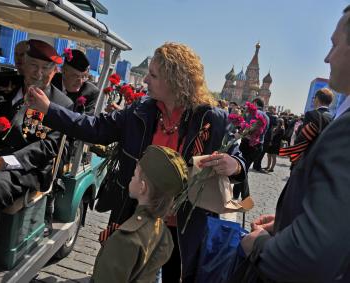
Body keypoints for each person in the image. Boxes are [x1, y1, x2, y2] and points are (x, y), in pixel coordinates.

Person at [26, 42, 246, 282]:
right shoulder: (140, 111)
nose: (145, 81)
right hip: (136, 217)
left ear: (175, 80)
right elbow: (96, 128)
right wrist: (49, 110)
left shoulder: (210, 119)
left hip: (183, 227)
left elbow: (236, 156)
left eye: (153, 75)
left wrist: (234, 164)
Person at [239, 6, 350, 282]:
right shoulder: (337, 116)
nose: (327, 56)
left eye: (334, 45)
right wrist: (289, 221)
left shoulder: (336, 125)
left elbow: (313, 254)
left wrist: (259, 247)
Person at [0, 39, 74, 273]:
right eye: (34, 65)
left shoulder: (61, 104)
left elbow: (48, 148)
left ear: (55, 71)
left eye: (46, 68)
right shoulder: (2, 84)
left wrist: (1, 163)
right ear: (22, 64)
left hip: (26, 169)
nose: (39, 73)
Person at [91, 145, 187, 282]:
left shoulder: (125, 239)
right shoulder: (163, 232)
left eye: (134, 175)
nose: (131, 178)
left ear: (142, 187)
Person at [233, 97, 269, 199]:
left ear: (254, 103)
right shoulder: (267, 116)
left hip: (249, 145)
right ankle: (236, 194)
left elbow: (247, 129)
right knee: (243, 169)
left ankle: (245, 197)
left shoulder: (254, 113)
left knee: (242, 169)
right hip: (258, 146)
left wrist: (239, 134)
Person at [51, 49, 99, 114]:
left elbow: (85, 121)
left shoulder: (90, 92)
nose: (80, 82)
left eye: (84, 76)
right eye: (75, 76)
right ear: (63, 71)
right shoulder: (50, 80)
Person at [253, 105, 277, 171]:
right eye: (274, 109)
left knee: (259, 151)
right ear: (272, 110)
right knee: (262, 152)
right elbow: (273, 129)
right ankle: (258, 166)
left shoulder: (264, 115)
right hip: (267, 136)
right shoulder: (273, 117)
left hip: (260, 134)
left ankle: (255, 165)